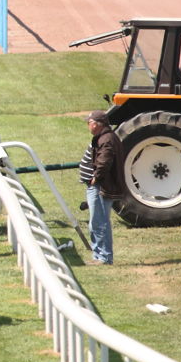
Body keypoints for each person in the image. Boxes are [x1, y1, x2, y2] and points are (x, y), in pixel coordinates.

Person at [79, 110, 124, 264]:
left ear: (96, 124)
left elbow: (104, 162)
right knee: (96, 222)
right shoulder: (104, 137)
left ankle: (103, 257)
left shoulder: (106, 139)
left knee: (98, 222)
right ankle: (99, 255)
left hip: (100, 186)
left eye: (89, 123)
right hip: (98, 185)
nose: (88, 125)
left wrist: (95, 178)